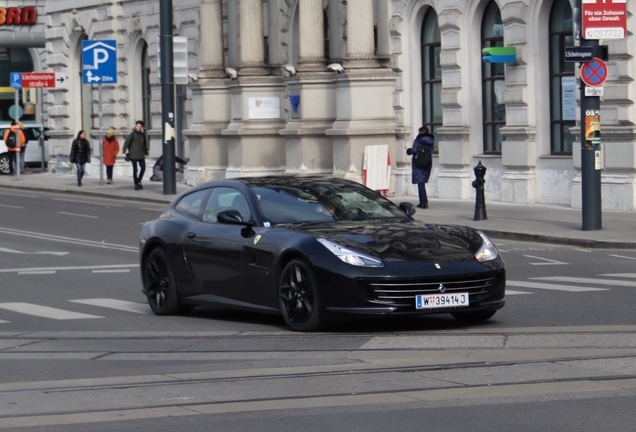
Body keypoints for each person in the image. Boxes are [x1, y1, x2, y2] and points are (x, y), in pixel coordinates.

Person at [406, 126, 434, 209]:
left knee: (420, 183)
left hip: (418, 162)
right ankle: (423, 201)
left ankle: (423, 202)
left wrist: (409, 151)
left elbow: (414, 150)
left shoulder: (418, 139)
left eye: (420, 131)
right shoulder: (430, 140)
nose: (419, 133)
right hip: (427, 162)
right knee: (422, 183)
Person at [122, 120, 150, 190]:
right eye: (137, 126)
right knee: (135, 170)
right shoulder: (132, 135)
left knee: (143, 168)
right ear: (135, 126)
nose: (138, 127)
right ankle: (136, 184)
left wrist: (146, 153)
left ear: (142, 127)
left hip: (141, 155)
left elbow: (144, 145)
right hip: (133, 155)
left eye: (140, 126)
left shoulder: (142, 135)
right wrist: (124, 152)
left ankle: (139, 180)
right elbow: (126, 144)